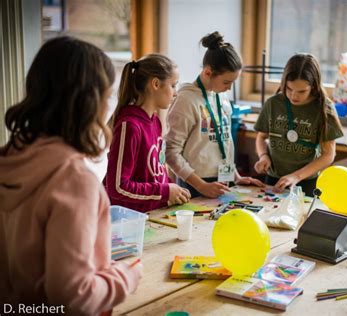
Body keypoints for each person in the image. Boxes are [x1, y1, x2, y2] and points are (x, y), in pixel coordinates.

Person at [0, 36, 141, 314]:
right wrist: (127, 275)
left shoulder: (7, 157)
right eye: (107, 94)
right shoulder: (74, 180)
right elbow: (72, 299)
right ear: (91, 101)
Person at [166, 31, 264, 198]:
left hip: (223, 180)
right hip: (196, 183)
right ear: (208, 72)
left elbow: (222, 143)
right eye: (226, 82)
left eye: (233, 82)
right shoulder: (186, 100)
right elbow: (171, 152)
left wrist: (236, 177)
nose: (229, 88)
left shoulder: (220, 95)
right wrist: (202, 185)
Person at [104, 54, 191, 212]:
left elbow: (155, 169)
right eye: (173, 85)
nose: (175, 93)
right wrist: (164, 191)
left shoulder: (155, 121)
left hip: (153, 214)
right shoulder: (129, 126)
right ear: (156, 84)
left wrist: (171, 190)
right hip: (130, 221)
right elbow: (117, 187)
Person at [254, 53, 344, 196]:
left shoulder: (324, 108)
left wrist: (296, 176)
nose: (294, 96)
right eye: (289, 89)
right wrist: (263, 156)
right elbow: (261, 137)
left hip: (306, 182)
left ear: (313, 86)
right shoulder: (273, 103)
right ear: (284, 82)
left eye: (302, 91)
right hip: (274, 180)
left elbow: (328, 155)